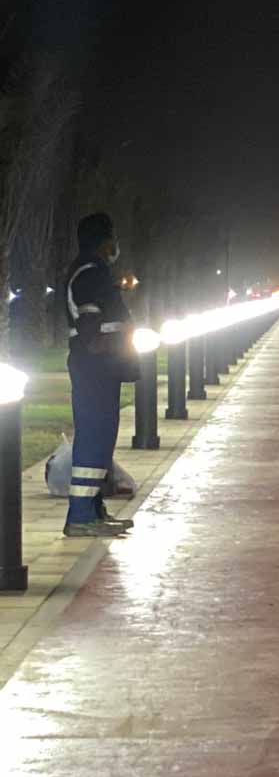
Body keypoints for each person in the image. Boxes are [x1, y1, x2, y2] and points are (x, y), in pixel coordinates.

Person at [62, 213, 136, 538]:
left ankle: (93, 510)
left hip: (104, 367)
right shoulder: (89, 275)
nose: (115, 244)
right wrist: (112, 348)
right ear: (102, 241)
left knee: (103, 437)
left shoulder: (98, 273)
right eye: (112, 237)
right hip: (95, 368)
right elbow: (91, 328)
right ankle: (80, 515)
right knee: (93, 437)